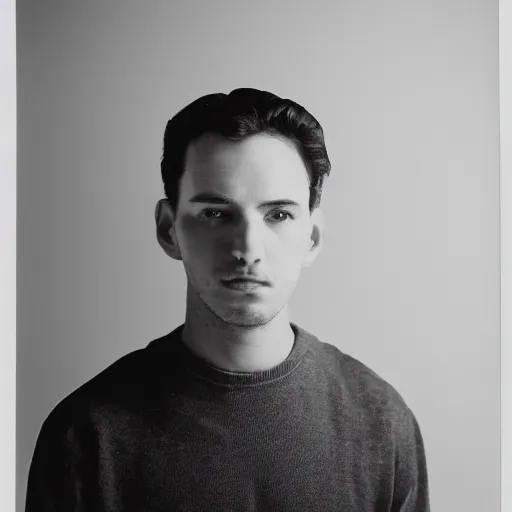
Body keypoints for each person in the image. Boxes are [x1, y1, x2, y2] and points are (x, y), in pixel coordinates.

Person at [25, 88, 430, 511]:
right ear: (169, 230)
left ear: (312, 236)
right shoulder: (87, 434)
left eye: (278, 214)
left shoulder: (381, 423)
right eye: (216, 213)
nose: (248, 248)